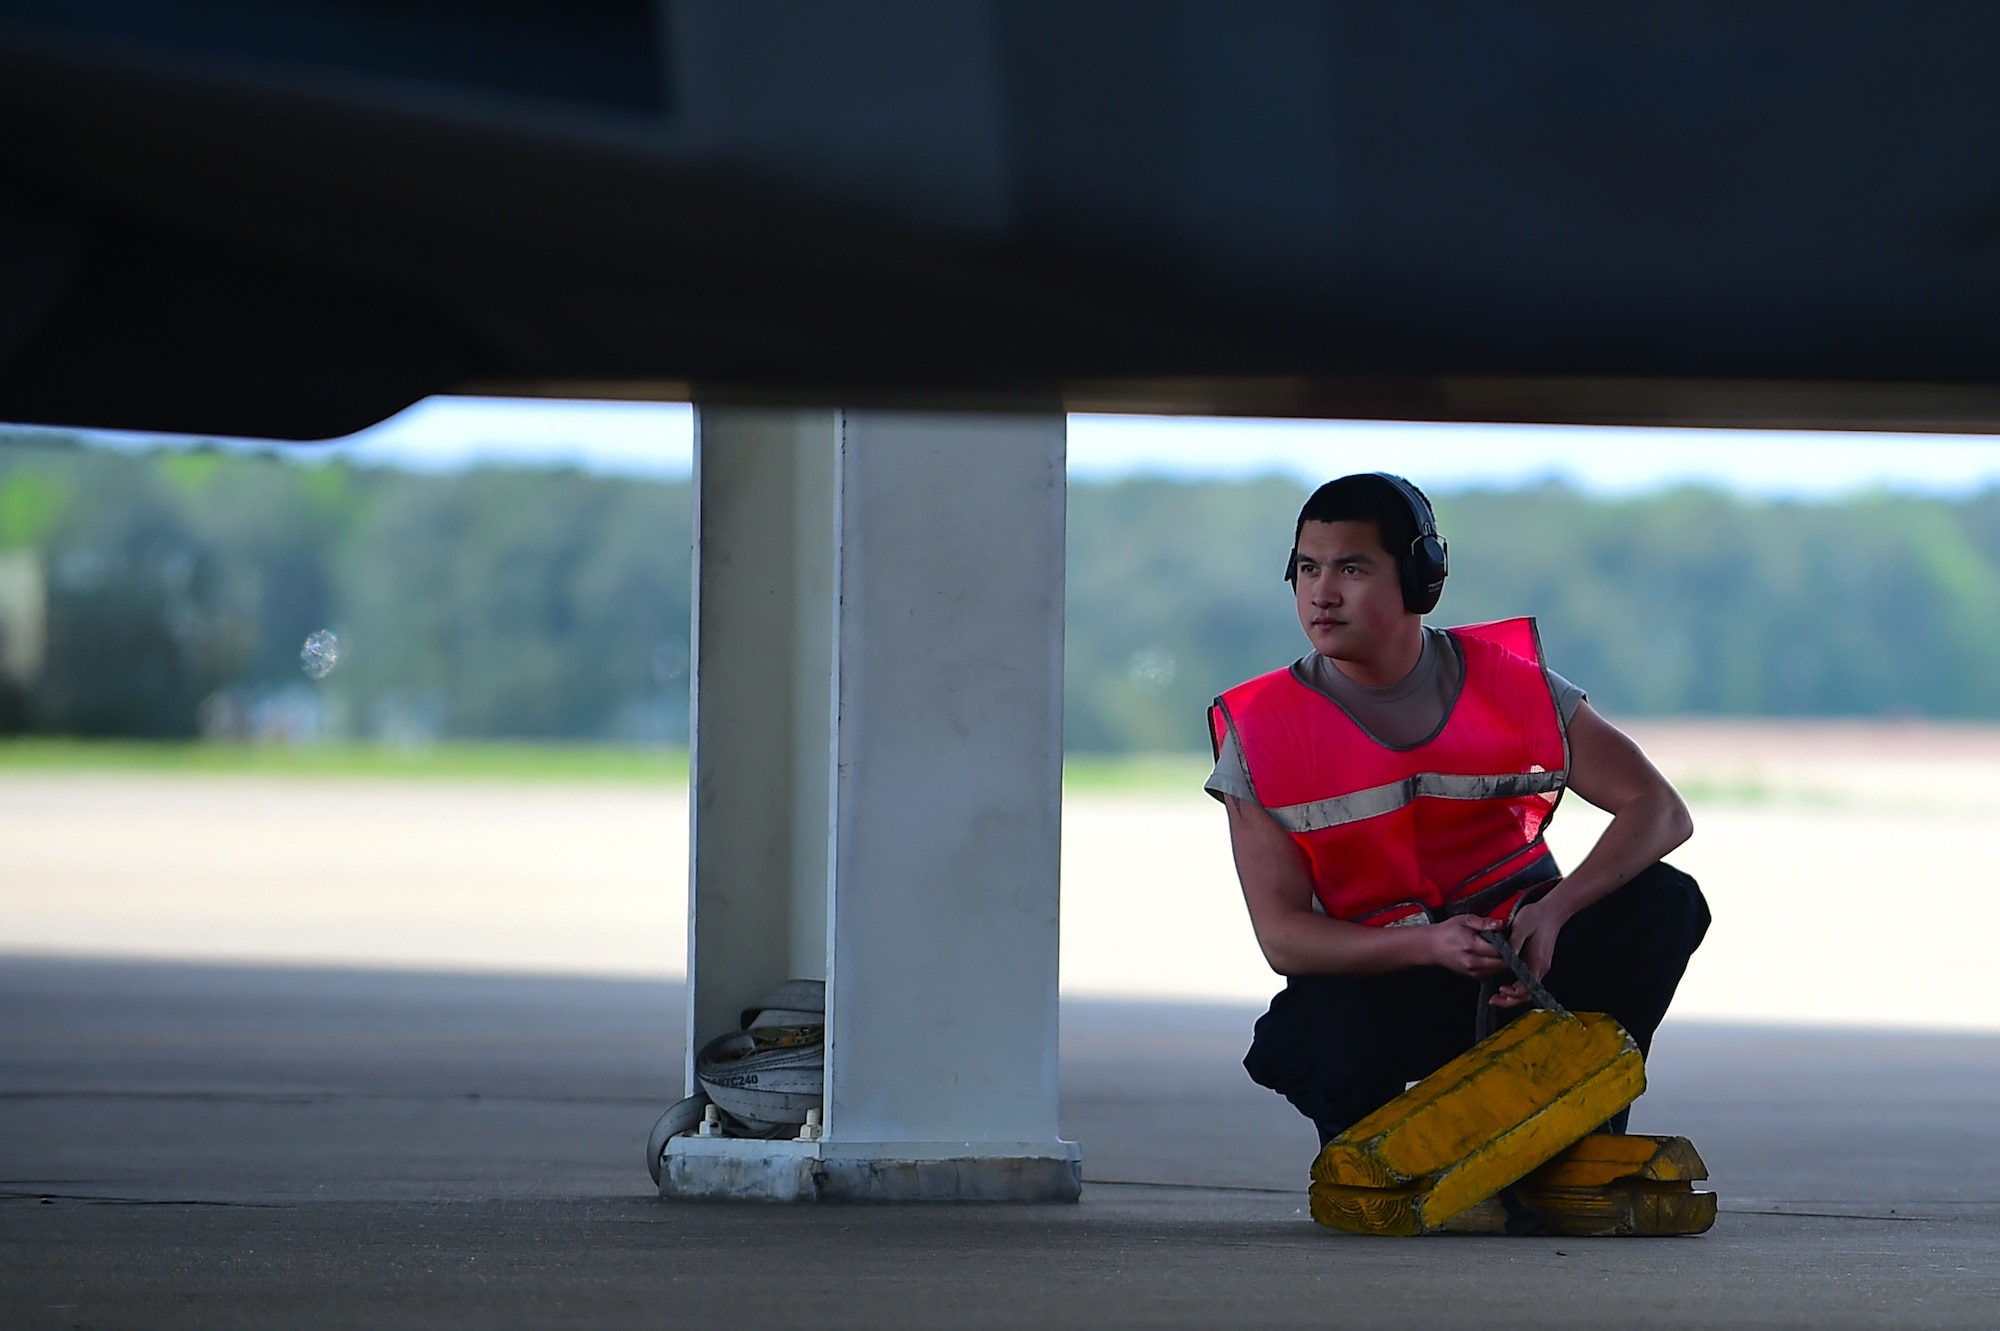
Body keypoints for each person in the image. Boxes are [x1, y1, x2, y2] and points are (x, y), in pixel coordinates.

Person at [1207, 473, 1710, 1145]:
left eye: (1351, 568)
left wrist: (1554, 911)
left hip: (1523, 965)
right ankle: (1375, 1151)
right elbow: (1283, 937)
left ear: (1419, 577)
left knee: (1665, 903)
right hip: (1393, 981)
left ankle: (1581, 1128)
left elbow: (1660, 811)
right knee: (1308, 1037)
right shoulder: (1262, 731)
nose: (1321, 593)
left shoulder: (1508, 681)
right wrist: (1427, 943)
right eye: (1307, 568)